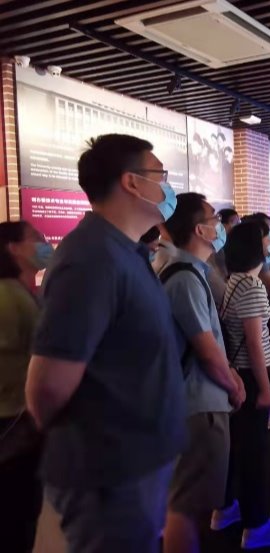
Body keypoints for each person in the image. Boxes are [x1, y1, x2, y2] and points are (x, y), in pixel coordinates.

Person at [26, 134, 187, 553]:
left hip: (132, 469)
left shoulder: (124, 252)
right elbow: (46, 387)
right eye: (160, 175)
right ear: (132, 182)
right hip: (109, 477)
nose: (167, 187)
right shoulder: (91, 257)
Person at [158, 193, 246, 553]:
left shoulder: (190, 272)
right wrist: (234, 386)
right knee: (185, 507)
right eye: (213, 219)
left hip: (198, 399)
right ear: (200, 229)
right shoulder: (184, 278)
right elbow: (206, 350)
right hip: (198, 405)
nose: (219, 226)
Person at [212, 222, 270, 549]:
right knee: (254, 454)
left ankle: (225, 508)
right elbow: (254, 343)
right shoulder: (252, 286)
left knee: (236, 448)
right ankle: (256, 526)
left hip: (238, 372)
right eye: (267, 239)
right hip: (249, 375)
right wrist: (265, 389)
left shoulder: (234, 280)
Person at [0, 221, 51, 553]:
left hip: (19, 425)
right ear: (14, 248)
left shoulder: (22, 293)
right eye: (37, 238)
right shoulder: (9, 297)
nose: (45, 243)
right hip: (13, 426)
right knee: (14, 519)